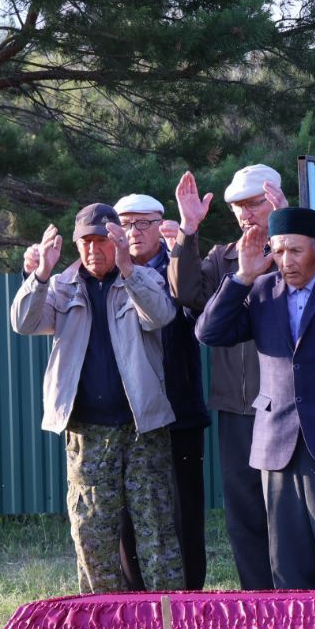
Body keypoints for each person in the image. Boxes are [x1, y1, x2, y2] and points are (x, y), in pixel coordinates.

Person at [195, 207, 315, 590]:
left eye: (296, 251)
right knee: (288, 569)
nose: (286, 261)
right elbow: (208, 332)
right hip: (277, 444)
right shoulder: (262, 290)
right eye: (279, 251)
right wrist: (241, 278)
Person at [10, 204, 183, 593]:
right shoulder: (61, 286)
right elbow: (24, 322)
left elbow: (160, 316)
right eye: (85, 242)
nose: (93, 250)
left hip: (143, 428)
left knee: (157, 531)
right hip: (87, 432)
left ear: (116, 241)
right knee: (91, 535)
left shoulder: (142, 278)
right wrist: (40, 273)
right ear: (75, 244)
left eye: (102, 241)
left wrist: (126, 268)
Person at [166, 164, 282, 589]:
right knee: (245, 512)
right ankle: (258, 601)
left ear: (273, 199)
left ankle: (302, 602)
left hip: (290, 405)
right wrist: (188, 229)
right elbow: (186, 293)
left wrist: (287, 234)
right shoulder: (221, 257)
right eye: (238, 207)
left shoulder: (296, 250)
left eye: (254, 203)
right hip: (237, 407)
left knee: (289, 512)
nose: (246, 214)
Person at [106, 194, 212, 591]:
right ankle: (134, 606)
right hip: (126, 417)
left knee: (183, 514)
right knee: (128, 520)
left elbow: (196, 314)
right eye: (125, 224)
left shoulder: (180, 268)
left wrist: (182, 247)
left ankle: (189, 604)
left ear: (161, 224)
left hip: (178, 411)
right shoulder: (106, 271)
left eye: (142, 223)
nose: (132, 233)